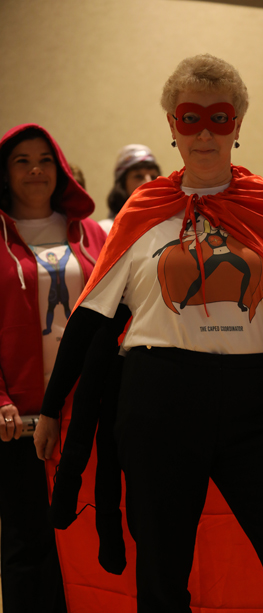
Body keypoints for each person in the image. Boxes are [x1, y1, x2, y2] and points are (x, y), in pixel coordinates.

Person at [34, 55, 263, 613]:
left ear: (238, 124)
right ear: (172, 124)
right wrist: (50, 409)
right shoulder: (143, 212)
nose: (205, 132)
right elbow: (91, 317)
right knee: (162, 578)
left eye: (219, 117)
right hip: (157, 399)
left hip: (256, 403)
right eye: (191, 118)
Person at [0, 123, 107, 613]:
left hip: (87, 416)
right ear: (5, 173)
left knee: (86, 542)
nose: (36, 170)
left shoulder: (92, 234)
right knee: (27, 546)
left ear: (60, 168)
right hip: (18, 423)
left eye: (45, 159)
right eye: (22, 161)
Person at [99, 144, 161, 233]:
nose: (148, 182)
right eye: (138, 176)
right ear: (122, 184)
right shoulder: (104, 230)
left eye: (153, 176)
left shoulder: (170, 226)